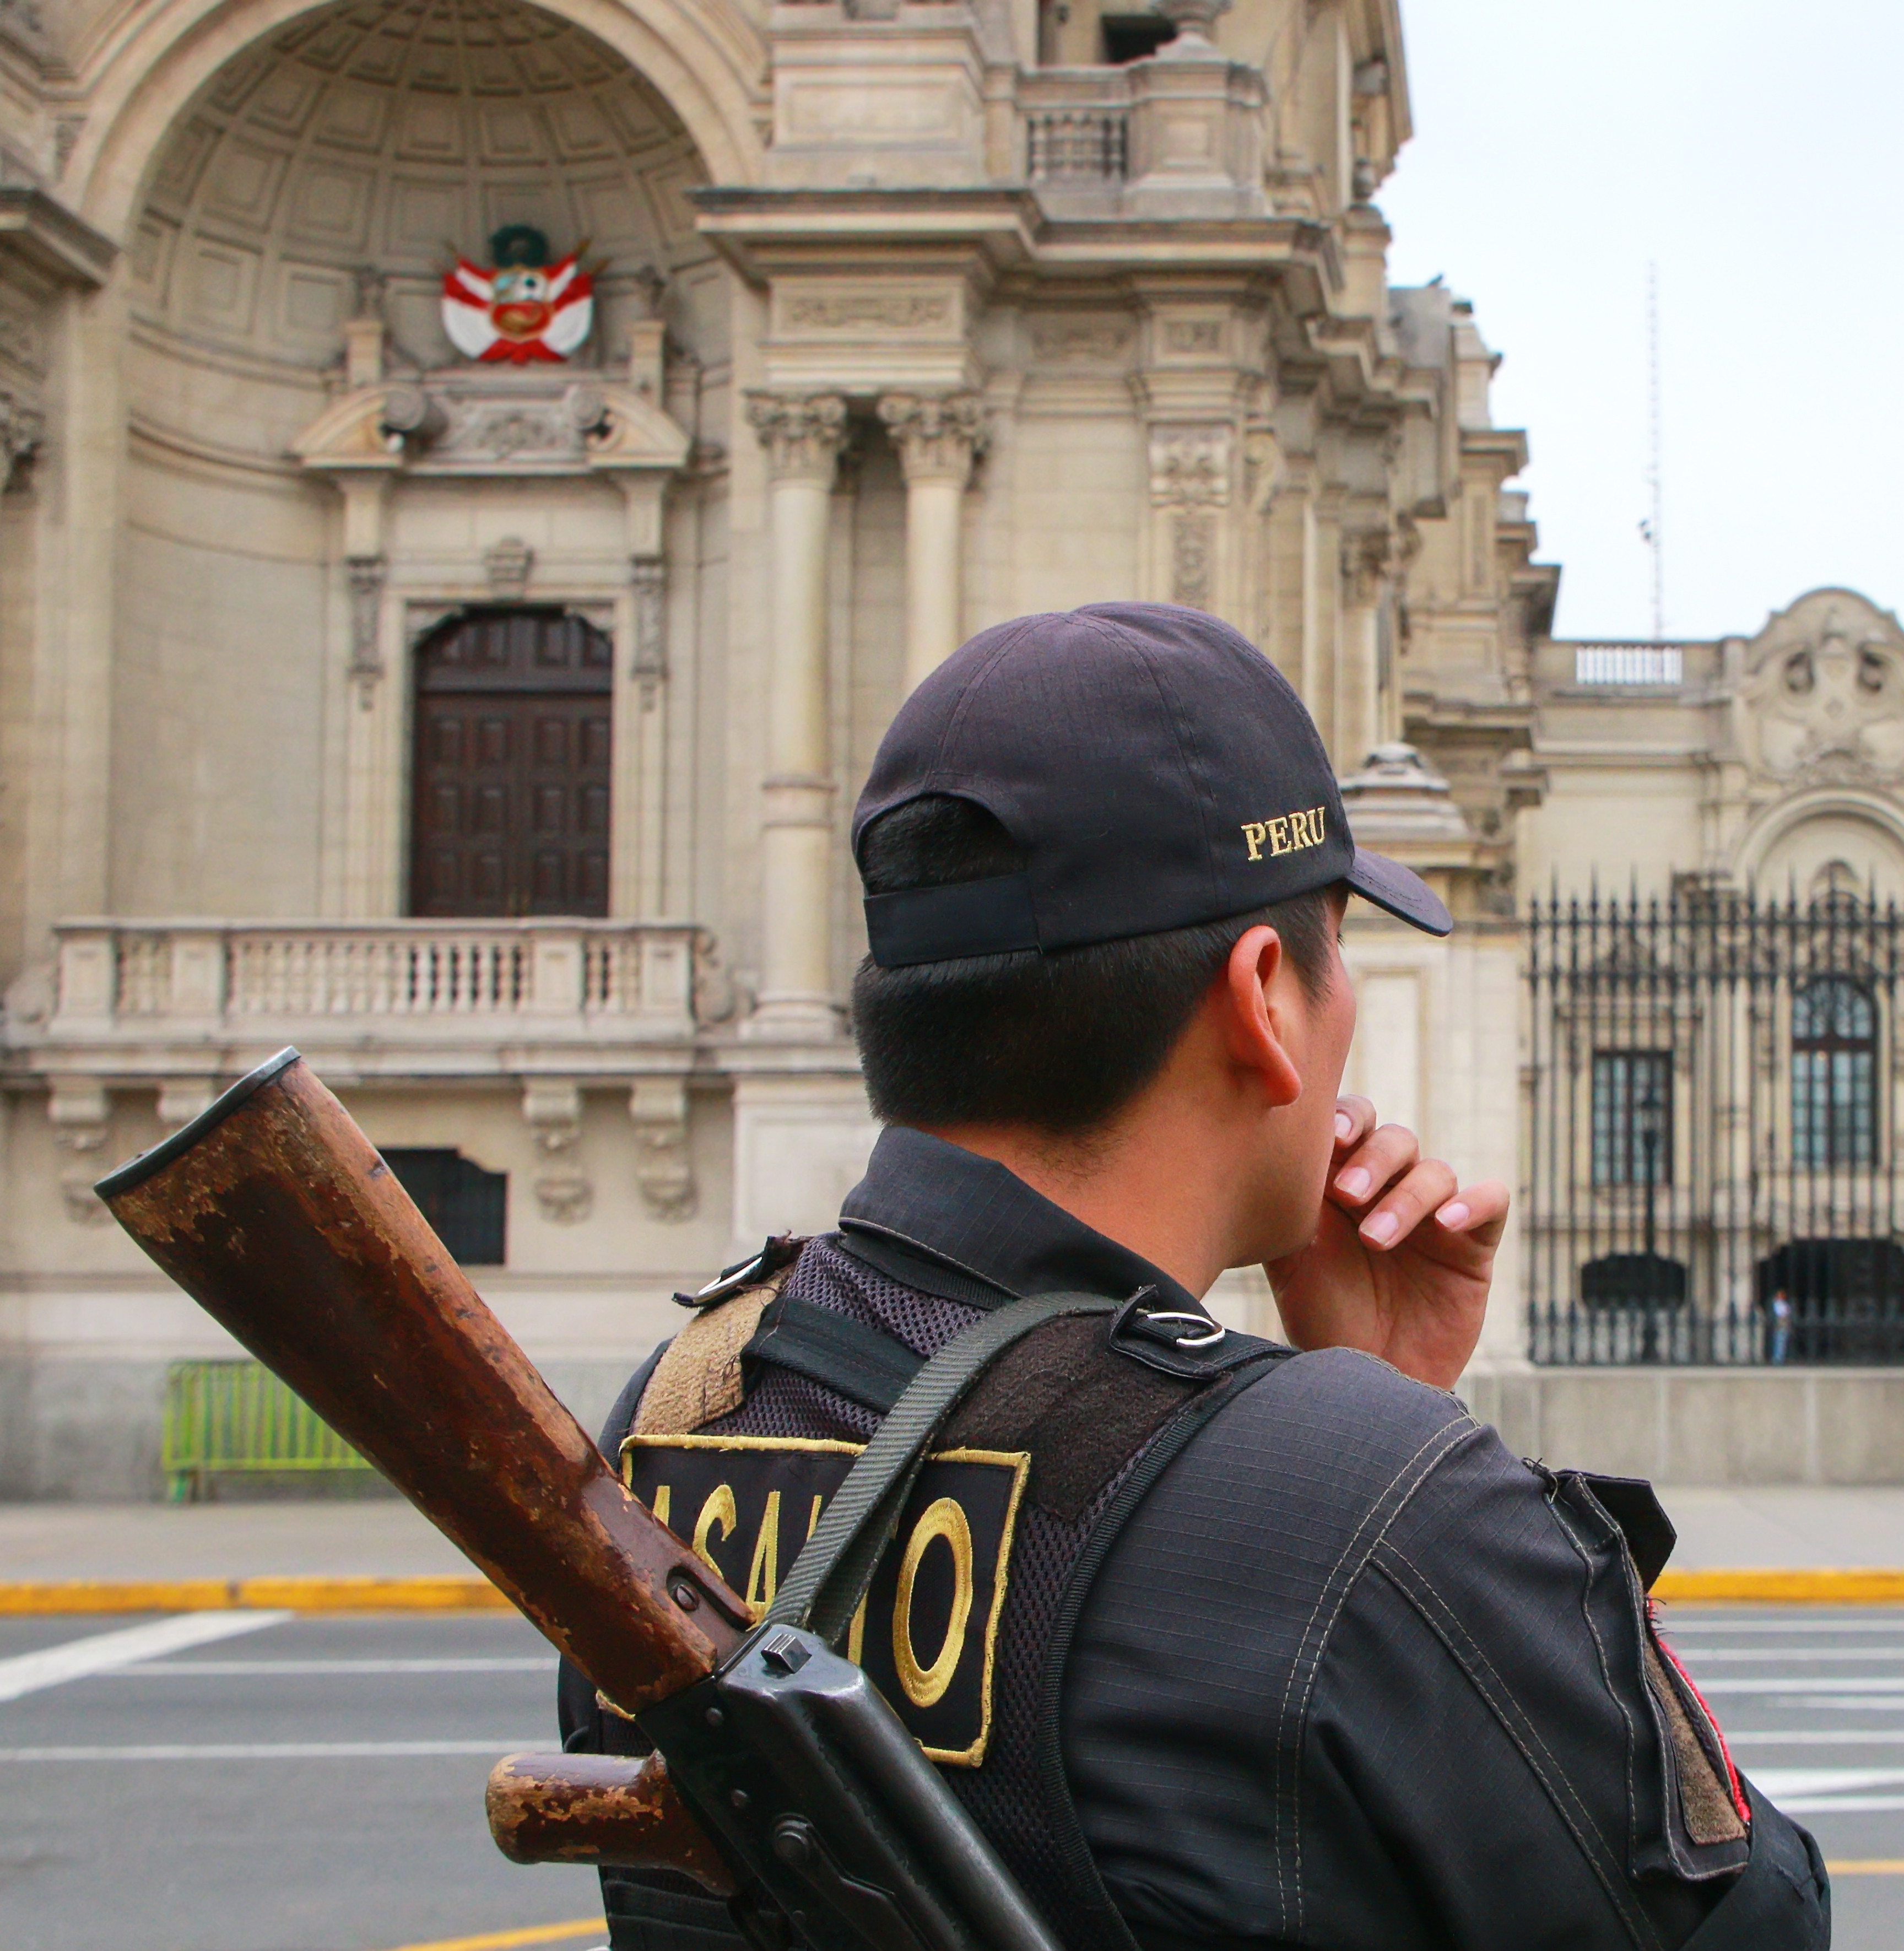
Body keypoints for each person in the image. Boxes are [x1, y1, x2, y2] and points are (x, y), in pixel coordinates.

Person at [559, 602, 1830, 1951]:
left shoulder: (684, 1403)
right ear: (1266, 995)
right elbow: (1751, 1918)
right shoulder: (1368, 1513)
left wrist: (1365, 1409)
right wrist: (1406, 1447)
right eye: (1342, 946)